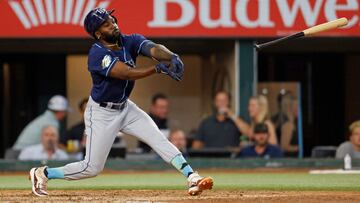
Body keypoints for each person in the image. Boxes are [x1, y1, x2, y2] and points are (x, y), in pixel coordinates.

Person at [29, 8, 212, 197]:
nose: (113, 24)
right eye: (106, 24)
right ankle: (43, 173)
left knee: (158, 139)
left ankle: (192, 176)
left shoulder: (129, 40)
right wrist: (156, 69)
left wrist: (171, 56)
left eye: (112, 20)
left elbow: (153, 48)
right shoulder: (96, 53)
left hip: (125, 107)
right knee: (91, 168)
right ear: (98, 33)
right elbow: (124, 72)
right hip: (101, 113)